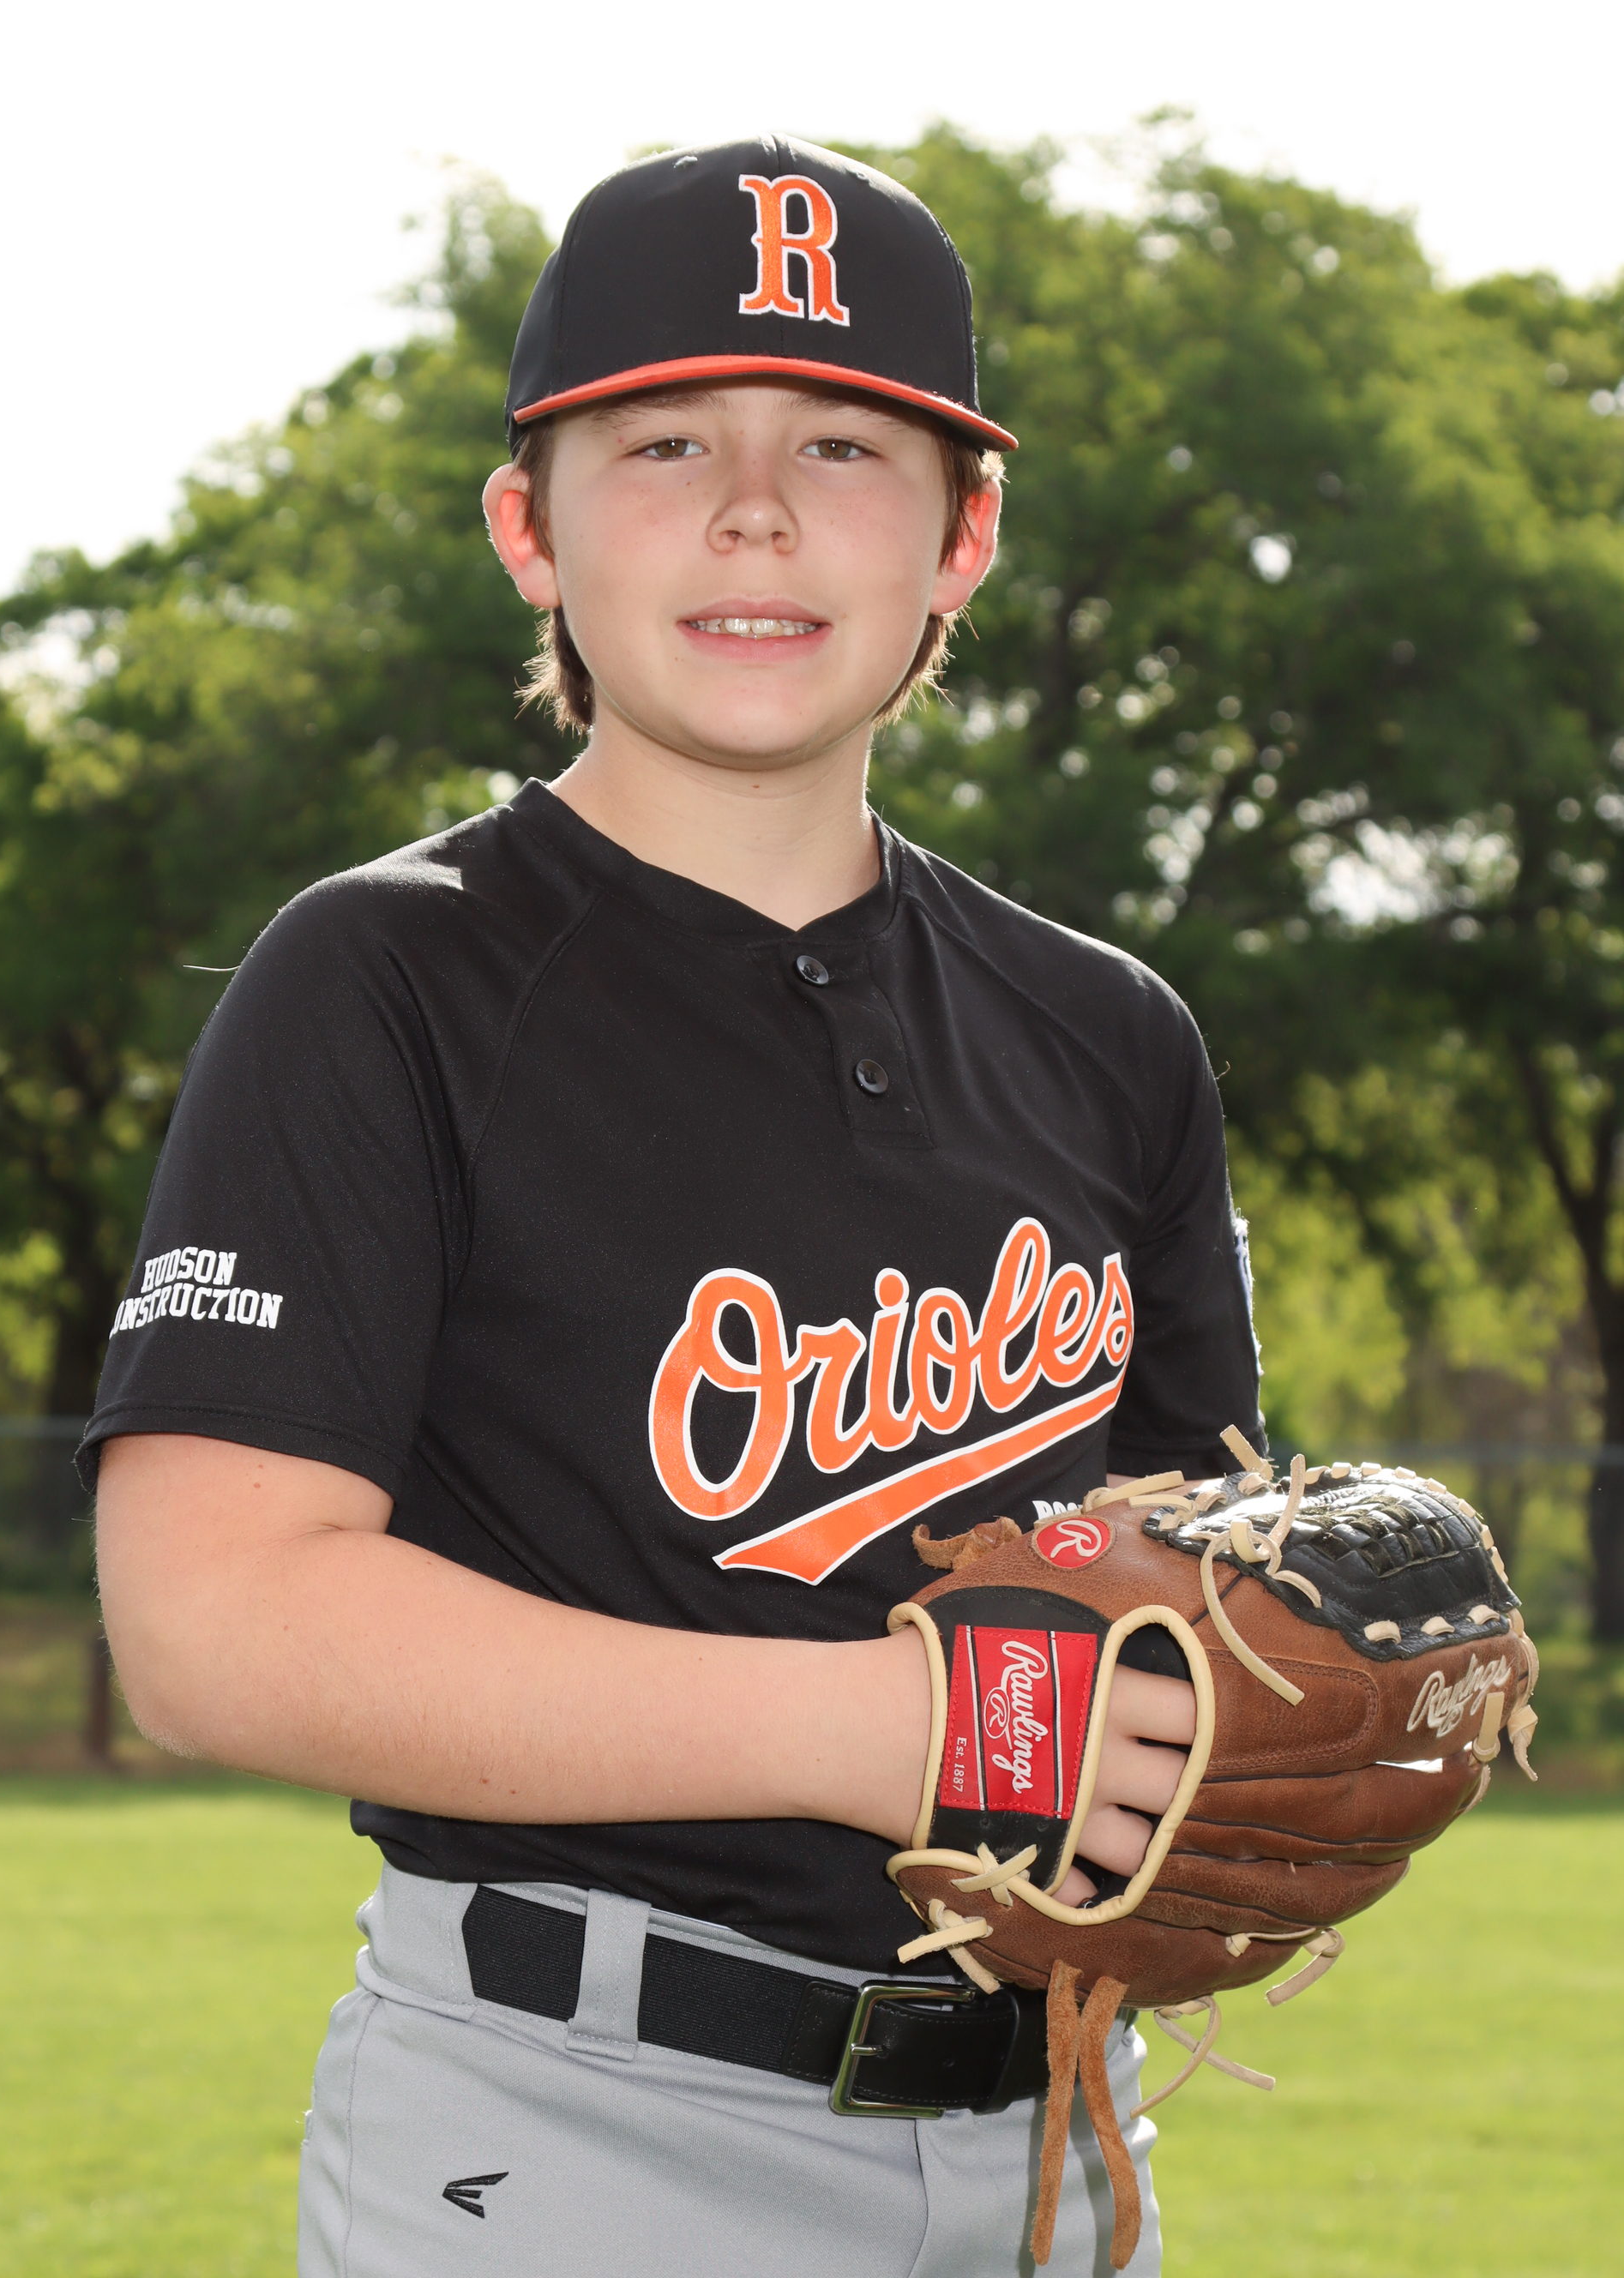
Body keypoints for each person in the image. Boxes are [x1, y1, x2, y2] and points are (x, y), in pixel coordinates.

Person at [88, 136, 1264, 2277]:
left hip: (1051, 2139)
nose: (755, 508)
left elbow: (1184, 1584)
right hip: (574, 2115)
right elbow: (209, 1617)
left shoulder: (1108, 1034)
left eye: (842, 441)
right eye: (663, 442)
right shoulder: (388, 974)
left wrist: (1275, 1718)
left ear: (965, 534)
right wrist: (883, 1728)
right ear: (527, 528)